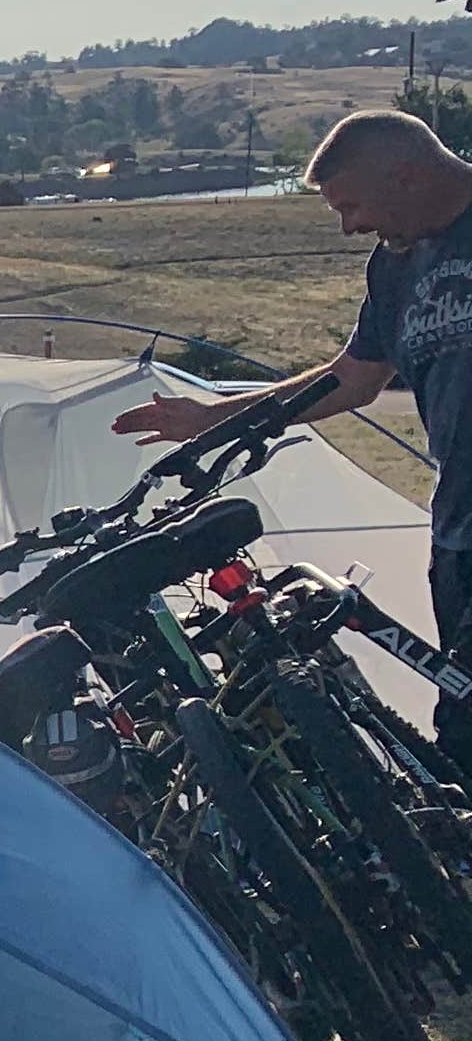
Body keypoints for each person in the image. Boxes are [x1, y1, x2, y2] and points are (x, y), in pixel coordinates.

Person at [117, 106, 472, 649]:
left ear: (406, 177)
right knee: (461, 720)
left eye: (352, 206)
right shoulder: (394, 266)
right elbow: (350, 381)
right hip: (459, 535)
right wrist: (214, 417)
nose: (350, 227)